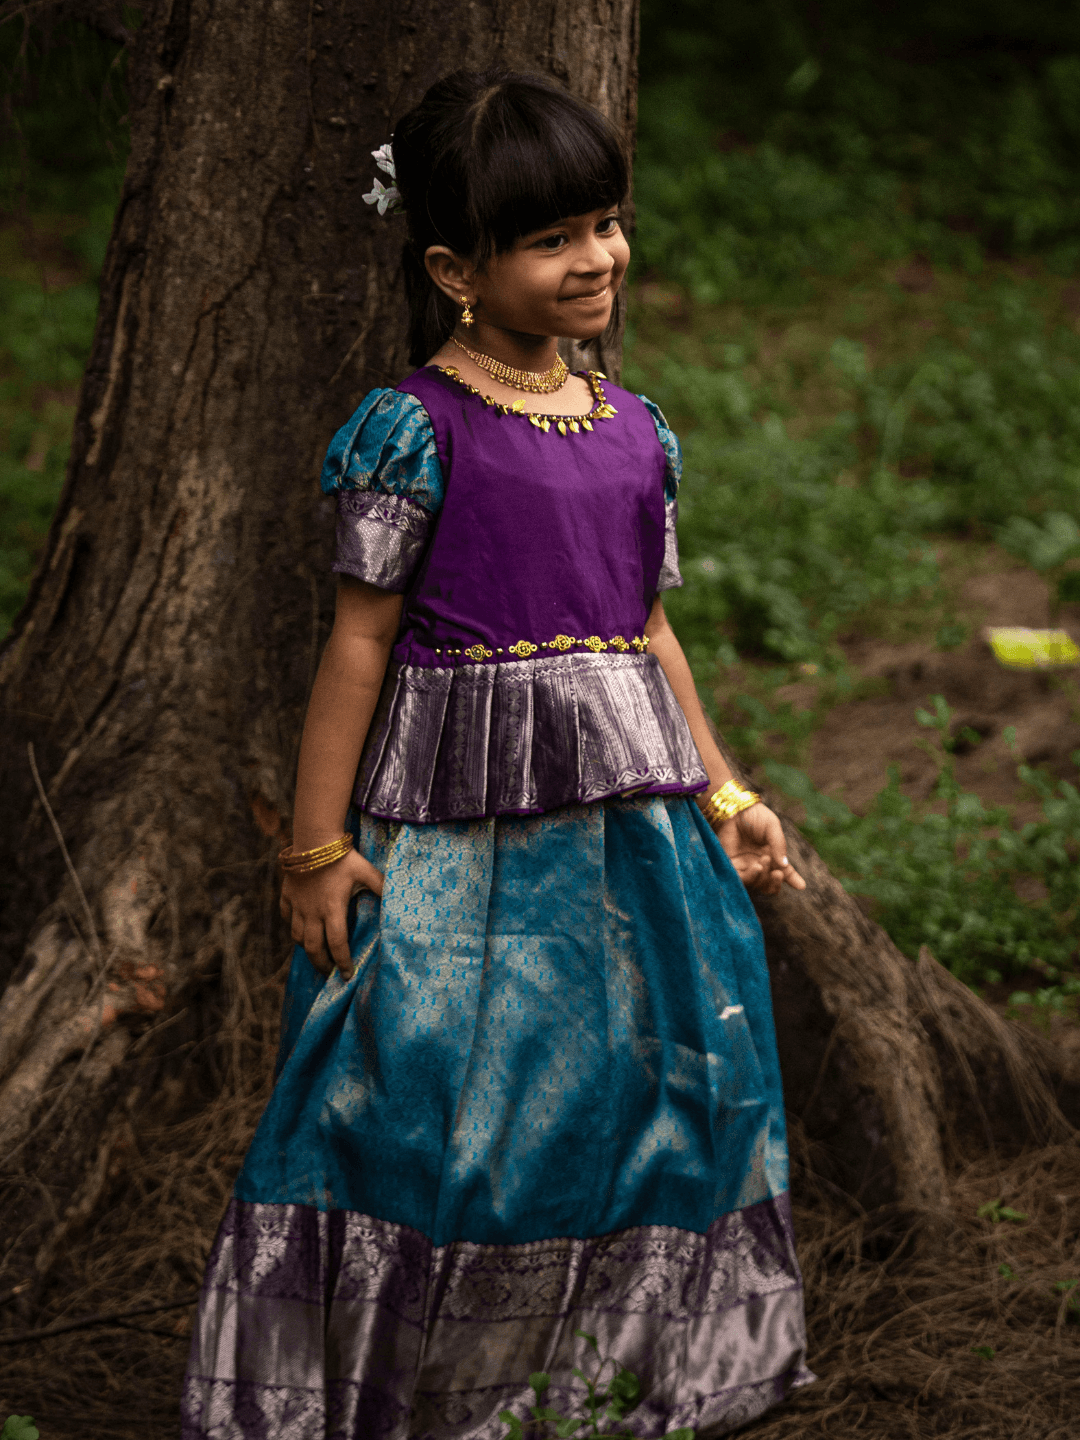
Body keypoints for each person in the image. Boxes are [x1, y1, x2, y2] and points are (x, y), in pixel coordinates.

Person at [181, 68, 814, 1440]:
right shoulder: (416, 427)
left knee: (650, 1091)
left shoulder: (634, 427)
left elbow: (646, 629)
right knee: (443, 1103)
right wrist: (314, 845)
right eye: (550, 239)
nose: (596, 259)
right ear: (456, 270)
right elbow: (356, 646)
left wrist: (728, 790)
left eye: (605, 222)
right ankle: (435, 1386)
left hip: (637, 847)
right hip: (463, 852)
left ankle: (620, 1374)